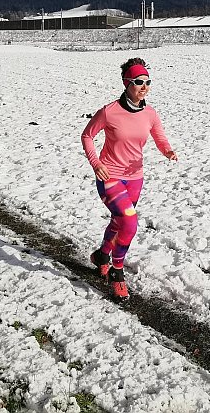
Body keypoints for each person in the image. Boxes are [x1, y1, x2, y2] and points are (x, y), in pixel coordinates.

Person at [81, 58, 177, 301]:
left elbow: (160, 138)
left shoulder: (150, 114)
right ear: (126, 83)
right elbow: (87, 136)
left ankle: (102, 255)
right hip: (109, 174)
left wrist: (167, 151)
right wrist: (96, 163)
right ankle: (117, 270)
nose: (144, 87)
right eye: (138, 82)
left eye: (147, 82)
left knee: (120, 221)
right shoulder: (109, 112)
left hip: (135, 177)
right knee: (129, 221)